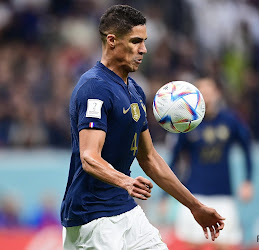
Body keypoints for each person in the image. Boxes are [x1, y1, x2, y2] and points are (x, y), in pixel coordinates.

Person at [60, 5, 225, 250]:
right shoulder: (94, 88)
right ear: (112, 40)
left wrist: (194, 206)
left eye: (145, 41)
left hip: (126, 211)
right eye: (136, 41)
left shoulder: (134, 90)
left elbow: (149, 158)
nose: (144, 49)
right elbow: (89, 157)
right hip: (92, 217)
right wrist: (125, 181)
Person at [169, 77, 254, 249]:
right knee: (189, 244)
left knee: (227, 244)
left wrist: (248, 180)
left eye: (209, 91)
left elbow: (247, 148)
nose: (206, 96)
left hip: (223, 193)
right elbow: (175, 158)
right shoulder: (188, 123)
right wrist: (166, 194)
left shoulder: (230, 120)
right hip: (194, 195)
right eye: (202, 92)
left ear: (217, 93)